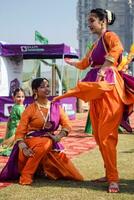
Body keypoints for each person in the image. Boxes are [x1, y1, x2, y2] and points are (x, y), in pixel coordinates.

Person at [53, 8, 134, 193]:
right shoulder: (95, 43)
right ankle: (108, 173)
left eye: (92, 20)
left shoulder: (110, 36)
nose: (89, 24)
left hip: (109, 88)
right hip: (96, 89)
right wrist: (72, 62)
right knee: (98, 135)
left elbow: (118, 49)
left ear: (103, 21)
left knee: (107, 136)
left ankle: (113, 179)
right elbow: (84, 63)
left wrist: (105, 68)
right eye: (88, 21)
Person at [0, 77, 83, 185]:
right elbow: (20, 132)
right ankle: (27, 174)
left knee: (76, 176)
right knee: (45, 142)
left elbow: (67, 124)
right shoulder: (30, 109)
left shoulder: (56, 107)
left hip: (51, 143)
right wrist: (24, 148)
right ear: (35, 91)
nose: (46, 89)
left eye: (47, 86)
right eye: (42, 87)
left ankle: (40, 170)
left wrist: (59, 136)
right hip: (31, 142)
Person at [0, 88, 25, 156]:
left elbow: (10, 119)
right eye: (18, 96)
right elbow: (25, 120)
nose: (21, 99)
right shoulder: (19, 108)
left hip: (12, 129)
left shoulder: (16, 106)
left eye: (22, 96)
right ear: (13, 97)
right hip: (16, 131)